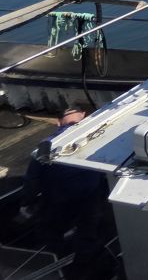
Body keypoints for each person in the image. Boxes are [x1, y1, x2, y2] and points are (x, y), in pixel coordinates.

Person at [17, 105, 106, 256]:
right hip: (89, 196)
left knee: (51, 229)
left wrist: (27, 201)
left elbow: (33, 178)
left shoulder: (47, 144)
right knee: (88, 230)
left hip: (60, 199)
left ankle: (59, 255)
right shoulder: (98, 137)